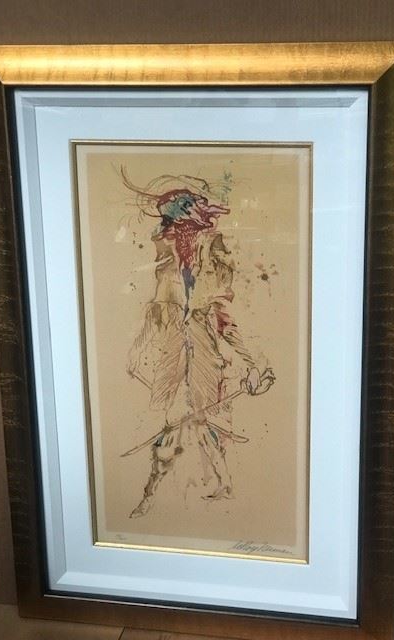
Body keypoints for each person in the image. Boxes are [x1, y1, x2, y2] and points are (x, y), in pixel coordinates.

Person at [120, 170, 274, 517]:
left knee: (205, 422)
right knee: (171, 425)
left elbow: (224, 316)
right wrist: (137, 349)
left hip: (204, 354)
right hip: (172, 354)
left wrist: (255, 362)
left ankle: (223, 485)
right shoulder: (166, 254)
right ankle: (150, 494)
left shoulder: (211, 252)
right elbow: (157, 310)